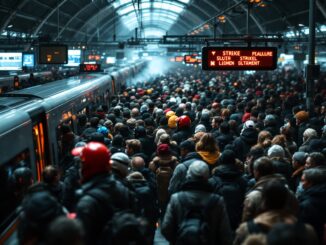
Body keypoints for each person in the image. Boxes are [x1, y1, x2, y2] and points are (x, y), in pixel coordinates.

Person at [74, 142, 137, 245]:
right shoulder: (124, 189)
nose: (80, 168)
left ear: (88, 167)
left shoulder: (86, 202)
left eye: (82, 164)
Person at [161, 160, 233, 245]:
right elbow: (225, 233)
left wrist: (177, 239)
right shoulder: (217, 201)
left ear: (188, 175)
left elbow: (166, 229)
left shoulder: (176, 198)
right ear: (207, 177)